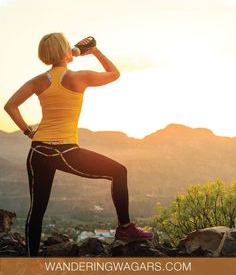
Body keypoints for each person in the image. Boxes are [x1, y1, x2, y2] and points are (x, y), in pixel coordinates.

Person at [4, 33, 154, 257]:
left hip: (38, 150)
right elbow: (114, 74)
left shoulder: (37, 81)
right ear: (66, 51)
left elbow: (10, 106)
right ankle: (125, 229)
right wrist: (94, 51)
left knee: (37, 211)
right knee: (119, 172)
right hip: (65, 150)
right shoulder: (78, 77)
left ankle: (31, 262)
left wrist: (28, 131)